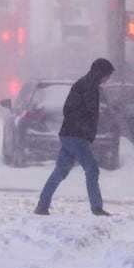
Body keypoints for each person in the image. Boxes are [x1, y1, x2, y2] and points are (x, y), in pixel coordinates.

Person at [35, 58, 116, 217]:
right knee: (92, 170)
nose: (108, 79)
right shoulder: (87, 87)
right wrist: (83, 127)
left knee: (60, 171)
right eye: (108, 75)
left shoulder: (88, 85)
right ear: (100, 73)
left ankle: (42, 205)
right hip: (75, 136)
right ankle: (97, 208)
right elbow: (71, 110)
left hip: (70, 134)